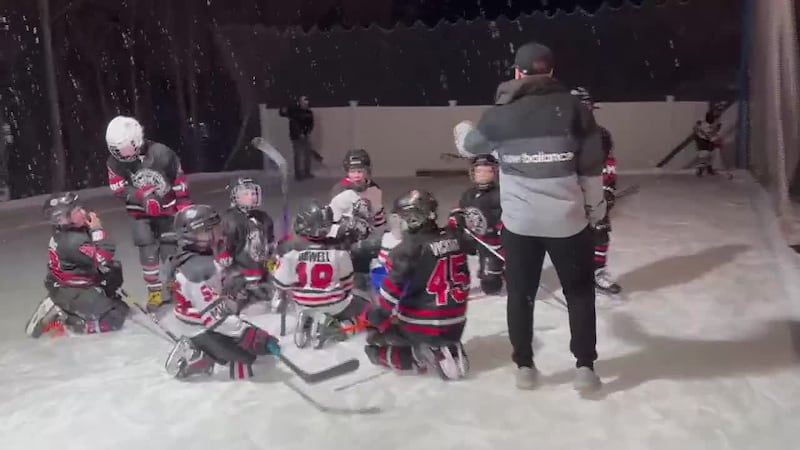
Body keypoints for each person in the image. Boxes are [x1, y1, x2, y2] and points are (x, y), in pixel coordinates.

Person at [456, 41, 605, 391]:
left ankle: (525, 365)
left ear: (517, 73)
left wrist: (462, 128)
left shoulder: (499, 114)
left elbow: (469, 146)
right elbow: (591, 169)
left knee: (520, 294)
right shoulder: (573, 109)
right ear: (551, 72)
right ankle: (584, 367)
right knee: (579, 294)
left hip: (520, 225)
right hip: (568, 223)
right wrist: (596, 211)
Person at [163, 204, 280, 380]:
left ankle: (204, 348)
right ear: (192, 235)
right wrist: (246, 334)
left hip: (199, 318)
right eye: (209, 230)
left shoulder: (188, 257)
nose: (218, 234)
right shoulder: (197, 269)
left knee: (261, 345)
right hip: (201, 326)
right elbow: (215, 316)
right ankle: (200, 356)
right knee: (248, 358)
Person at [363, 190, 470, 381]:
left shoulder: (408, 249)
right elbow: (458, 228)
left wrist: (378, 317)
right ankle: (445, 346)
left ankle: (415, 356)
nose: (402, 223)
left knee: (375, 338)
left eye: (405, 217)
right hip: (457, 323)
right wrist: (457, 217)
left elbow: (393, 288)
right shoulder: (455, 238)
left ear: (415, 219)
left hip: (421, 325)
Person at [105, 115, 192, 312]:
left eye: (126, 147)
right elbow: (118, 189)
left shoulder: (161, 153)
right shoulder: (115, 162)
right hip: (139, 215)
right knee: (147, 251)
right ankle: (154, 291)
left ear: (137, 139)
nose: (123, 154)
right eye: (118, 150)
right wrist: (140, 196)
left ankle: (173, 286)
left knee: (171, 250)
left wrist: (184, 203)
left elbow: (178, 178)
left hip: (167, 211)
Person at [25, 192, 129, 338]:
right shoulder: (72, 240)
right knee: (114, 320)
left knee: (121, 305)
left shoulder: (69, 231)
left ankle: (91, 302)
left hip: (75, 282)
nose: (84, 212)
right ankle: (66, 319)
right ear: (63, 219)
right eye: (77, 211)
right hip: (72, 290)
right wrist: (97, 229)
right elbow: (102, 256)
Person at [272, 200, 371, 349]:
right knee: (367, 308)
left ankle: (309, 318)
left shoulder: (288, 248)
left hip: (301, 302)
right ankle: (338, 328)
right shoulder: (338, 249)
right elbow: (347, 282)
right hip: (332, 304)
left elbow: (281, 283)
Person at [571, 87, 622, 294]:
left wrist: (608, 188)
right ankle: (575, 275)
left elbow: (608, 162)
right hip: (568, 194)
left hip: (595, 193)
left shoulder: (601, 135)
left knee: (600, 233)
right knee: (570, 238)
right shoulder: (560, 134)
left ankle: (598, 273)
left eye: (586, 105)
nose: (583, 109)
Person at [210, 176, 275, 317]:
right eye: (246, 194)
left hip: (260, 275)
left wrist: (271, 269)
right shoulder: (231, 219)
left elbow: (269, 246)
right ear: (235, 197)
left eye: (253, 193)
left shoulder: (263, 217)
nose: (252, 197)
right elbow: (224, 247)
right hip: (240, 277)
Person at [330, 148, 387, 291]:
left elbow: (378, 219)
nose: (356, 175)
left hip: (368, 240)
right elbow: (330, 225)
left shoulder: (375, 189)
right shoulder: (339, 191)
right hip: (346, 242)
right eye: (352, 171)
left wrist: (383, 239)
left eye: (360, 171)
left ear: (367, 171)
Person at [450, 154, 504, 295]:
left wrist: (500, 228)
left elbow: (508, 219)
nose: (483, 175)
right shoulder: (469, 194)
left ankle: (504, 272)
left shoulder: (500, 195)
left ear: (495, 173)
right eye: (479, 171)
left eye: (488, 171)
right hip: (474, 238)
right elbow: (460, 209)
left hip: (494, 244)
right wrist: (457, 218)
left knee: (490, 285)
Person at [279, 95, 315, 181]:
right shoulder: (294, 111)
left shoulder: (309, 113)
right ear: (300, 102)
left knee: (307, 155)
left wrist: (306, 133)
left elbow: (311, 125)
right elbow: (283, 113)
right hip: (296, 137)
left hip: (305, 136)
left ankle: (307, 173)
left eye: (306, 102)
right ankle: (298, 175)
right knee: (298, 156)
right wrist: (283, 109)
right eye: (303, 102)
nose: (305, 103)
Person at [693, 110, 722, 176]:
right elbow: (695, 128)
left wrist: (714, 136)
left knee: (711, 154)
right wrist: (700, 133)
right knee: (703, 154)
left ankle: (709, 168)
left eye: (712, 117)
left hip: (711, 140)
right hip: (702, 140)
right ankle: (700, 170)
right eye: (710, 117)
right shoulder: (701, 123)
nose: (711, 119)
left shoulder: (715, 123)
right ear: (707, 117)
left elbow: (716, 129)